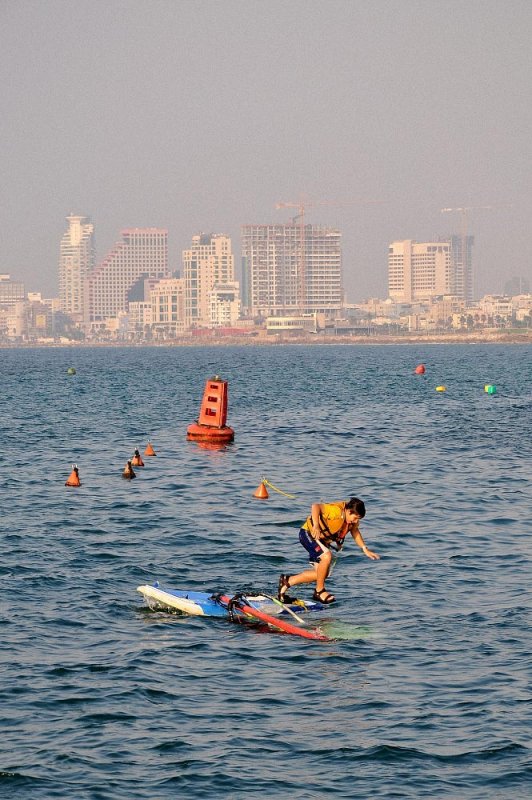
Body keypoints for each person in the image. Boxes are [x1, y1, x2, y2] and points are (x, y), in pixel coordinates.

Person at [278, 497, 379, 605]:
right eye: (355, 518)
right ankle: (319, 591)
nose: (356, 521)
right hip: (308, 534)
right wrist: (316, 526)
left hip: (320, 540)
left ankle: (287, 581)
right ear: (349, 511)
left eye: (358, 519)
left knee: (321, 574)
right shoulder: (336, 511)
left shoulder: (351, 520)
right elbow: (315, 506)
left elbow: (355, 531)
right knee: (326, 556)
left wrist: (365, 549)